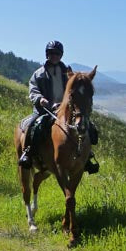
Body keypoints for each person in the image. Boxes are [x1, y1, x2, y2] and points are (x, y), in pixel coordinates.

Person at [18, 40, 99, 173]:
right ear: (47, 54)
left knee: (88, 127)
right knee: (33, 126)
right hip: (44, 109)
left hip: (64, 109)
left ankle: (87, 156)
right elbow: (33, 90)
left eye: (57, 53)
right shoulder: (39, 74)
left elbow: (75, 90)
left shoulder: (67, 73)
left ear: (61, 55)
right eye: (51, 53)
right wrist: (40, 99)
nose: (54, 56)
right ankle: (28, 153)